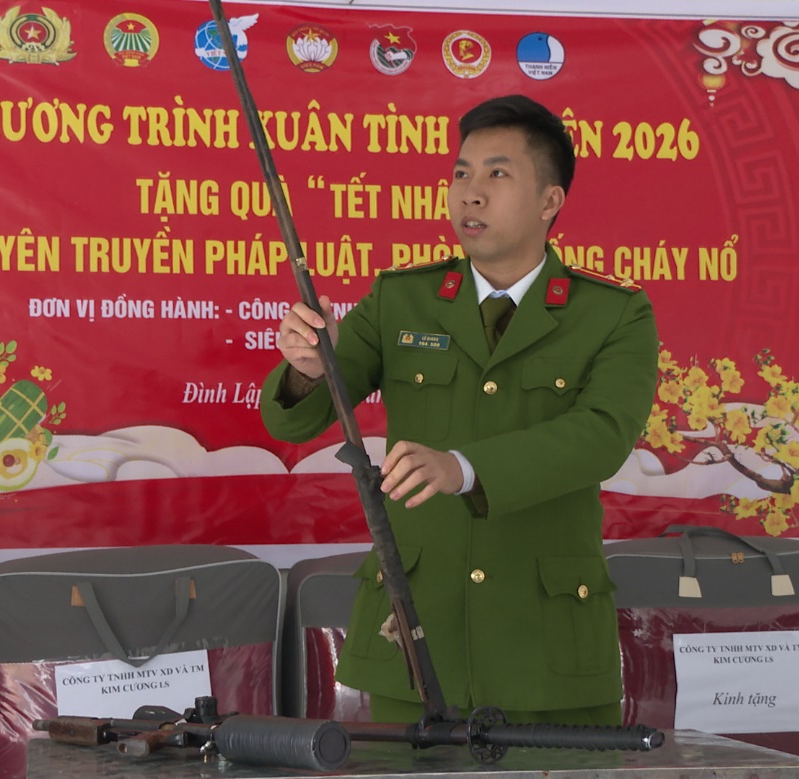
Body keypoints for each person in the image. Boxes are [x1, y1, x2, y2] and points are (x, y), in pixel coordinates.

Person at [260, 95, 659, 726]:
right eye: (461, 173)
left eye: (497, 173)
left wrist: (465, 468)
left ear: (549, 201)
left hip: (547, 655)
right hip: (416, 642)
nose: (470, 193)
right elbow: (293, 420)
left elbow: (602, 436)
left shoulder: (613, 313)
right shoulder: (402, 299)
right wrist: (310, 366)